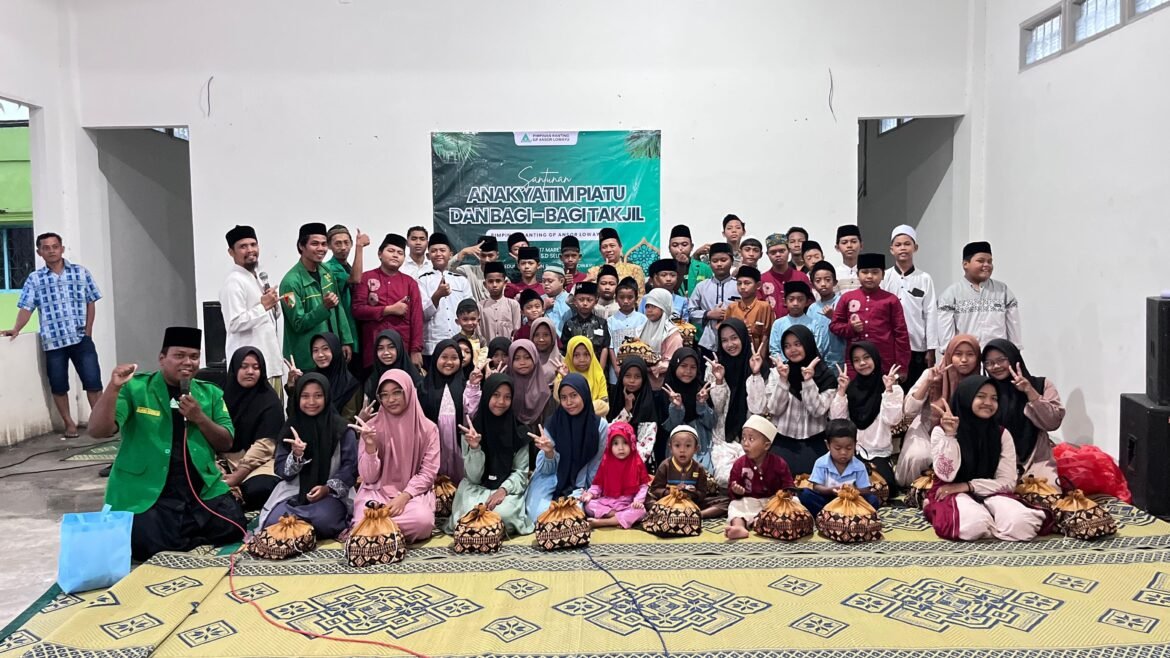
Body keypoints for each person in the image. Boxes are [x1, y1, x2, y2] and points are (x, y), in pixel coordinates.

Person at [90, 327, 245, 561]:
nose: (188, 362)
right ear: (162, 358)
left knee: (234, 524)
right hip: (149, 488)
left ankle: (178, 533)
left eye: (194, 357)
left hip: (198, 488)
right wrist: (113, 388)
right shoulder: (136, 388)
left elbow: (226, 441)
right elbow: (97, 431)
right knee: (144, 540)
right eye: (179, 355)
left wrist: (200, 418)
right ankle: (178, 532)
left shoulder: (210, 393)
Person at [924, 377, 1049, 541]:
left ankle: (988, 514)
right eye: (981, 396)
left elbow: (1008, 482)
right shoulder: (941, 431)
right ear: (966, 397)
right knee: (974, 525)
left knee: (1023, 524)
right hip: (950, 490)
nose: (988, 403)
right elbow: (946, 475)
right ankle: (974, 514)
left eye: (994, 398)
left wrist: (969, 486)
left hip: (991, 490)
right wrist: (950, 435)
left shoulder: (1001, 434)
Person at [4, 232, 104, 438]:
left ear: (62, 249)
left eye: (55, 246)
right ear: (39, 252)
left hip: (80, 338)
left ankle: (100, 423)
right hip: (53, 341)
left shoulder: (80, 273)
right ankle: (69, 424)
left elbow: (90, 302)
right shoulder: (35, 279)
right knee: (58, 385)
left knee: (93, 382)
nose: (51, 251)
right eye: (46, 248)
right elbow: (27, 307)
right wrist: (16, 328)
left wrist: (88, 332)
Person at [259, 373, 357, 540]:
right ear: (298, 398)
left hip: (332, 495)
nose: (311, 402)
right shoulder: (291, 428)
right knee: (274, 521)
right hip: (294, 491)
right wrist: (296, 456)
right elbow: (282, 471)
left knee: (324, 520)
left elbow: (351, 467)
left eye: (318, 396)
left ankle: (299, 527)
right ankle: (303, 526)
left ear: (327, 397)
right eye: (305, 396)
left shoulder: (342, 429)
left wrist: (327, 488)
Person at [351, 370, 440, 542]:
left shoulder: (429, 429)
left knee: (423, 522)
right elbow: (368, 478)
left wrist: (404, 496)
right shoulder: (371, 428)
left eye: (397, 392)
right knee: (362, 519)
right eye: (384, 395)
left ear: (408, 392)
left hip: (411, 495)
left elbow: (428, 473)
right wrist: (370, 448)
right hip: (377, 492)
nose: (390, 400)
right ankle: (386, 532)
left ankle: (377, 531)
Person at [446, 374, 534, 535]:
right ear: (486, 396)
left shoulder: (520, 433)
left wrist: (504, 490)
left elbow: (520, 473)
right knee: (471, 513)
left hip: (507, 489)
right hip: (476, 488)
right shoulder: (471, 431)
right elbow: (473, 478)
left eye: (507, 397)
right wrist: (475, 448)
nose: (501, 402)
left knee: (503, 515)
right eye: (496, 395)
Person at [897, 334, 981, 487]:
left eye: (970, 354)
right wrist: (928, 383)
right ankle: (914, 489)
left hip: (961, 434)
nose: (964, 359)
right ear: (949, 355)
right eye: (958, 354)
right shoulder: (932, 373)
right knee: (919, 456)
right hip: (926, 429)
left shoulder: (980, 381)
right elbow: (908, 411)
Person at [526, 374, 608, 520]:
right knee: (538, 516)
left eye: (574, 395)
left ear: (584, 394)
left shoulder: (600, 426)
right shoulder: (553, 424)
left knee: (572, 516)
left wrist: (591, 491)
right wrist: (549, 453)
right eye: (563, 397)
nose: (569, 402)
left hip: (580, 482)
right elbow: (545, 471)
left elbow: (596, 463)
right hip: (550, 477)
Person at [982, 339, 1064, 483]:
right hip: (997, 461)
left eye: (1001, 360)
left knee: (1047, 492)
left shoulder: (1041, 385)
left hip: (1037, 460)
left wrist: (1029, 391)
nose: (995, 366)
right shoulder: (985, 390)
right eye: (989, 363)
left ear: (1013, 358)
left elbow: (1052, 423)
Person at [280, 222, 355, 370]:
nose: (321, 249)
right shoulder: (289, 284)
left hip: (331, 353)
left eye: (324, 244)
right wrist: (323, 308)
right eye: (315, 244)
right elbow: (298, 323)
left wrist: (346, 340)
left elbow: (338, 307)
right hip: (308, 359)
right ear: (301, 246)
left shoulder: (326, 272)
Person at [764, 325, 838, 475]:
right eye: (787, 346)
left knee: (810, 481)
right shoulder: (781, 372)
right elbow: (774, 409)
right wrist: (783, 380)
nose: (792, 350)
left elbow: (817, 411)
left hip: (814, 440)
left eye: (797, 344)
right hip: (783, 439)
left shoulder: (826, 377)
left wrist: (808, 381)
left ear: (808, 344)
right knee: (777, 478)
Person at [219, 225, 284, 394]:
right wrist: (263, 306)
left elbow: (269, 318)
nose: (250, 250)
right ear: (231, 252)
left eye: (253, 244)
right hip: (249, 370)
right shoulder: (234, 282)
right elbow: (234, 323)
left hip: (269, 363)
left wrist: (274, 305)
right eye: (243, 246)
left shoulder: (258, 277)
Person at [831, 342, 904, 491]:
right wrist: (841, 391)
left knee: (882, 486)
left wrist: (889, 391)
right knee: (838, 484)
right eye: (856, 360)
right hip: (853, 452)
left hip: (879, 454)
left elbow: (893, 419)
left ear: (875, 358)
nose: (862, 363)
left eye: (866, 357)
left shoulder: (891, 388)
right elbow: (838, 422)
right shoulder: (851, 388)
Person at [220, 347, 283, 511]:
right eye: (244, 366)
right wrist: (219, 470)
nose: (250, 372)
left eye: (256, 367)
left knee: (260, 488)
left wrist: (237, 476)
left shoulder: (270, 401)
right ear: (234, 369)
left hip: (260, 462)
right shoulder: (221, 397)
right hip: (226, 459)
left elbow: (265, 446)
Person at [830, 253, 910, 379]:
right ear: (858, 274)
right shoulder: (847, 298)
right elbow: (834, 326)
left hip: (884, 362)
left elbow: (901, 334)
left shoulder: (891, 300)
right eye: (865, 272)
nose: (869, 276)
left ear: (883, 275)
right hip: (855, 362)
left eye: (875, 272)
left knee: (886, 391)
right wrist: (850, 328)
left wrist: (902, 366)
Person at [352, 233, 424, 371]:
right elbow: (357, 310)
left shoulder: (410, 283)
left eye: (400, 253)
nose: (395, 255)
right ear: (380, 254)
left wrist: (416, 350)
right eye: (391, 251)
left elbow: (417, 318)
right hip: (373, 348)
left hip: (402, 348)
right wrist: (388, 310)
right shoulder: (366, 278)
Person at [881, 225, 940, 391]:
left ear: (915, 247)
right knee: (891, 391)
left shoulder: (924, 278)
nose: (903, 248)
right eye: (898, 245)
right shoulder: (884, 277)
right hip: (890, 345)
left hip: (917, 346)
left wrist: (931, 348)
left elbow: (930, 313)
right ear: (891, 249)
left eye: (907, 244)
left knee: (916, 392)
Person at [938, 241, 1023, 349]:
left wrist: (1015, 351)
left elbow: (1014, 325)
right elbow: (945, 333)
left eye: (989, 261)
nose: (986, 265)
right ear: (965, 264)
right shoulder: (951, 294)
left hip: (997, 354)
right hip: (967, 356)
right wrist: (949, 352)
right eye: (980, 261)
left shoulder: (1003, 291)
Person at [725, 414, 793, 540]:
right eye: (743, 438)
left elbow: (789, 486)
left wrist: (783, 496)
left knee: (795, 502)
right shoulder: (739, 464)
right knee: (735, 505)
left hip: (773, 503)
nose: (745, 443)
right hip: (750, 501)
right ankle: (739, 527)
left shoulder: (779, 463)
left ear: (766, 446)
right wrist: (736, 491)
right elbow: (731, 489)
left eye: (751, 439)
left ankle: (767, 523)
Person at [418, 339, 477, 483]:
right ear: (435, 358)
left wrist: (473, 388)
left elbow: (471, 413)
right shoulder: (423, 387)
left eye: (454, 358)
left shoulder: (466, 386)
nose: (449, 362)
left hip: (459, 444)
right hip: (433, 446)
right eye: (444, 357)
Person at [798, 419, 881, 516]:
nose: (843, 452)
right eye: (838, 448)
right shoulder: (821, 463)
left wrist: (852, 491)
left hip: (852, 502)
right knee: (805, 494)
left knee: (873, 500)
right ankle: (825, 515)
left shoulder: (859, 466)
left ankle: (845, 516)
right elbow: (816, 487)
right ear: (828, 445)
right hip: (827, 501)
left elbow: (865, 490)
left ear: (855, 444)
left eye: (849, 448)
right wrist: (831, 490)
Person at [581, 421, 650, 529]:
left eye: (625, 442)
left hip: (627, 504)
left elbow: (643, 486)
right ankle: (618, 518)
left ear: (631, 443)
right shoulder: (606, 462)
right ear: (610, 445)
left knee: (640, 511)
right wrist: (590, 494)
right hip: (607, 503)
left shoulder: (636, 462)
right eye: (616, 443)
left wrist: (638, 501)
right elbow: (598, 485)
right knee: (588, 505)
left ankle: (603, 522)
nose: (621, 447)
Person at [418, 232, 472, 369]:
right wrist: (437, 296)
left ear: (450, 254)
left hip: (459, 344)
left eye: (442, 250)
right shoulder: (422, 281)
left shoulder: (461, 281)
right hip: (432, 347)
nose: (438, 254)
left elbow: (471, 312)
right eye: (434, 251)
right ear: (428, 256)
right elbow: (422, 315)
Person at [321, 225, 368, 374]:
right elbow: (355, 278)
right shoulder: (329, 268)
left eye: (346, 243)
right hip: (345, 331)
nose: (343, 247)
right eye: (338, 243)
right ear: (329, 246)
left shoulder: (347, 266)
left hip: (357, 328)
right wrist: (360, 248)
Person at [650, 425, 725, 518]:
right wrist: (672, 491)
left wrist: (692, 493)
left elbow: (702, 493)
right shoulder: (665, 465)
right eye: (677, 446)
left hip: (691, 503)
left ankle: (698, 515)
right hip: (669, 502)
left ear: (696, 448)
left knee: (726, 502)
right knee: (647, 499)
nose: (682, 450)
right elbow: (655, 490)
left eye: (688, 446)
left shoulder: (699, 468)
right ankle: (673, 514)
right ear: (671, 448)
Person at [662, 348, 715, 471]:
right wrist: (677, 407)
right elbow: (668, 427)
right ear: (675, 366)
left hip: (702, 445)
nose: (688, 371)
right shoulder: (667, 391)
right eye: (683, 366)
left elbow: (711, 423)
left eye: (693, 367)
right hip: (676, 447)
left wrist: (701, 404)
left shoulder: (702, 389)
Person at [293, 332, 362, 423]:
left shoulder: (350, 385)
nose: (320, 355)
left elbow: (348, 422)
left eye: (325, 349)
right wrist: (292, 386)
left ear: (335, 350)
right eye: (315, 350)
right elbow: (294, 414)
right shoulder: (309, 379)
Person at [609, 356, 660, 469]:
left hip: (639, 465)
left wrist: (628, 464)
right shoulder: (616, 397)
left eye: (637, 377)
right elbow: (610, 431)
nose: (632, 381)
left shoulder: (647, 404)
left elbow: (646, 444)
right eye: (627, 376)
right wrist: (627, 410)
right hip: (614, 461)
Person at [688, 242, 738, 359]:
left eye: (723, 260)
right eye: (715, 261)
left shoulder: (739, 286)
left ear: (731, 261)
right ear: (709, 263)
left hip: (735, 341)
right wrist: (708, 314)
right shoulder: (701, 286)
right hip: (708, 342)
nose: (719, 264)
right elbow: (690, 311)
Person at [768, 280, 831, 366]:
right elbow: (774, 350)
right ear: (785, 302)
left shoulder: (813, 323)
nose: (795, 303)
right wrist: (784, 364)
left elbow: (818, 348)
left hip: (809, 367)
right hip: (784, 367)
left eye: (800, 299)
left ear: (807, 302)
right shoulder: (778, 324)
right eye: (791, 299)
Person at [363, 328, 422, 409]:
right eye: (380, 348)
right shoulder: (372, 382)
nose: (386, 352)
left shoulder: (415, 379)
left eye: (391, 347)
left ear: (399, 348)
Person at [560, 281, 611, 374]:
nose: (585, 303)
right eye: (581, 299)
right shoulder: (569, 324)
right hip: (574, 371)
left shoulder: (601, 323)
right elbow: (564, 349)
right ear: (575, 301)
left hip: (596, 370)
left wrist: (600, 371)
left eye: (589, 300)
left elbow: (605, 348)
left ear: (596, 301)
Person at [725, 265, 775, 357]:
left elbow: (767, 335)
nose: (742, 287)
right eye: (739, 283)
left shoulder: (764, 307)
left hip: (757, 353)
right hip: (736, 354)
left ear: (758, 285)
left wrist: (761, 358)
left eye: (747, 283)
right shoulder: (732, 307)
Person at [640, 288, 684, 390]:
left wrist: (651, 367)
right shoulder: (641, 329)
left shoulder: (672, 334)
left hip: (664, 385)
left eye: (654, 306)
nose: (649, 310)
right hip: (643, 383)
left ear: (664, 307)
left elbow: (673, 362)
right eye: (647, 306)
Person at [508, 339, 554, 436]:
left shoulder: (544, 392)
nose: (522, 362)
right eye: (517, 358)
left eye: (527, 357)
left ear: (535, 358)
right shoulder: (506, 388)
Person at [807, 262, 846, 372]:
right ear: (812, 284)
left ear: (835, 282)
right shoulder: (812, 308)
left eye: (827, 280)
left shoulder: (843, 302)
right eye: (818, 281)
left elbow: (849, 330)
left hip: (840, 358)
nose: (823, 284)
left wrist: (833, 317)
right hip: (819, 361)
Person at [759, 235, 811, 314]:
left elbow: (810, 305)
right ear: (767, 254)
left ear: (789, 251)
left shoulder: (801, 277)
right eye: (773, 252)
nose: (778, 254)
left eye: (782, 251)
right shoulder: (762, 279)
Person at [586, 228, 646, 297]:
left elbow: (640, 297)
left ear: (620, 247)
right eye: (604, 247)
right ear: (600, 251)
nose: (608, 250)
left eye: (612, 246)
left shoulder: (634, 270)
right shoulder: (593, 271)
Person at [560, 335, 610, 416]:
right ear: (570, 356)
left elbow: (604, 405)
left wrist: (580, 409)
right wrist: (566, 379)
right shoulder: (563, 374)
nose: (582, 359)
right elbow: (560, 401)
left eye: (586, 354)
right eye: (576, 355)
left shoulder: (598, 374)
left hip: (594, 419)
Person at [607, 277, 647, 366]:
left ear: (636, 298)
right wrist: (616, 367)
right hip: (617, 367)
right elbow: (611, 347)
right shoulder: (610, 321)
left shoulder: (643, 319)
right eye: (621, 297)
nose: (625, 301)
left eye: (630, 297)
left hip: (638, 365)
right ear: (616, 298)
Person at [478, 261, 521, 342]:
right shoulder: (480, 306)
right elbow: (478, 333)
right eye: (490, 281)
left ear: (505, 283)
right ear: (485, 284)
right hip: (487, 348)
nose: (494, 285)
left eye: (498, 281)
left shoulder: (513, 305)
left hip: (508, 348)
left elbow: (516, 331)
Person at [667, 224, 712, 299]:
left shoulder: (704, 268)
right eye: (675, 245)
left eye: (684, 245)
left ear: (692, 247)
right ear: (669, 248)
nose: (680, 248)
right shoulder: (664, 270)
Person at [451, 234, 500, 302]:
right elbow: (447, 270)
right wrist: (463, 252)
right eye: (483, 255)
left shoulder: (503, 278)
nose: (487, 260)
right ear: (478, 255)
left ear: (497, 255)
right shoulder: (469, 271)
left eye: (490, 255)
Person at [828, 225, 863, 294]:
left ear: (861, 245)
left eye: (854, 241)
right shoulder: (834, 274)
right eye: (844, 242)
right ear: (837, 248)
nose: (849, 245)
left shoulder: (869, 274)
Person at [529, 317, 564, 385]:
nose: (541, 339)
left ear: (553, 336)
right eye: (536, 335)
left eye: (546, 335)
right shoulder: (526, 361)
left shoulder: (562, 362)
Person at [541, 264, 572, 332]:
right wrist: (543, 307)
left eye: (550, 281)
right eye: (543, 281)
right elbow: (526, 321)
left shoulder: (571, 300)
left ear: (561, 281)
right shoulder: (539, 300)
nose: (546, 284)